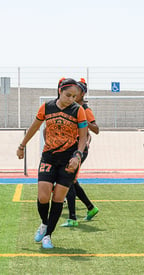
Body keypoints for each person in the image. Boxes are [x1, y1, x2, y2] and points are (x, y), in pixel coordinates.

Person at [16, 78, 88, 249]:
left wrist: (77, 155)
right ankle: (44, 223)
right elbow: (34, 127)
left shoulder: (78, 111)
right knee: (43, 196)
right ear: (59, 91)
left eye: (74, 96)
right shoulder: (47, 107)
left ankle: (48, 235)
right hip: (48, 156)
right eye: (68, 95)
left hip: (68, 159)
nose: (71, 99)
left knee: (58, 198)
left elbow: (83, 136)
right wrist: (22, 146)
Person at [61, 78, 99, 227]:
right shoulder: (73, 107)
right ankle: (90, 208)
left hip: (79, 149)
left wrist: (82, 121)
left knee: (68, 180)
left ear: (82, 93)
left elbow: (96, 129)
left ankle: (72, 218)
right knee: (71, 181)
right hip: (70, 148)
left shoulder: (84, 109)